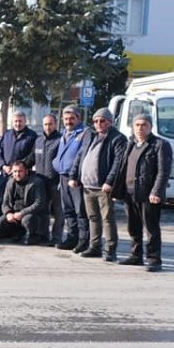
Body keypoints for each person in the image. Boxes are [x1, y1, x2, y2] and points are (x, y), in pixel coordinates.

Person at [114, 114, 173, 272]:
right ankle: (136, 255)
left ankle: (154, 259)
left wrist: (157, 192)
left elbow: (163, 171)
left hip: (149, 195)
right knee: (133, 227)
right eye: (137, 125)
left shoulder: (160, 145)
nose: (140, 128)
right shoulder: (131, 143)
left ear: (150, 127)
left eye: (144, 125)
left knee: (151, 228)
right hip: (130, 193)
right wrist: (118, 189)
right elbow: (122, 168)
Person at [69, 107, 127, 261]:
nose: (99, 123)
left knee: (107, 218)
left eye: (102, 120)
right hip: (87, 186)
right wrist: (73, 175)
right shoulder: (90, 135)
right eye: (96, 121)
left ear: (110, 122)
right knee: (93, 218)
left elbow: (118, 163)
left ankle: (110, 249)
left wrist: (109, 181)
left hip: (103, 187)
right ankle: (95, 247)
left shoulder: (117, 138)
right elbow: (80, 156)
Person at [53, 105, 88, 252]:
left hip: (75, 179)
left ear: (78, 119)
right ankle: (71, 238)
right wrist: (55, 163)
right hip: (63, 176)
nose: (68, 121)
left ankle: (83, 241)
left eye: (72, 118)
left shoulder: (84, 133)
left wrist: (74, 175)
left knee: (80, 211)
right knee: (68, 210)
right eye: (66, 119)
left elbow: (81, 156)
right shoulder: (64, 134)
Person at [0, 160, 48, 245]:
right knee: (0, 223)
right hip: (15, 214)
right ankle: (16, 233)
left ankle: (35, 236)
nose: (17, 174)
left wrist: (22, 213)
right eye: (15, 171)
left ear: (26, 171)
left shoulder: (37, 182)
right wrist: (8, 213)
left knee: (27, 220)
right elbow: (5, 202)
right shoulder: (10, 182)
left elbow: (39, 203)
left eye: (20, 171)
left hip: (32, 214)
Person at [34, 114, 63, 245]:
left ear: (55, 124)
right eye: (45, 124)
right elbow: (31, 158)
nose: (48, 127)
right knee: (42, 210)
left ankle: (56, 237)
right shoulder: (38, 140)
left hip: (55, 181)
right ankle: (43, 235)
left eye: (50, 124)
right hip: (40, 181)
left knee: (58, 211)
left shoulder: (61, 140)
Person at [0, 110, 37, 175]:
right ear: (12, 122)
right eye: (16, 121)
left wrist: (17, 167)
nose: (18, 124)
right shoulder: (7, 134)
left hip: (22, 174)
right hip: (6, 172)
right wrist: (3, 166)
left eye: (20, 121)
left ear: (25, 121)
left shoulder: (32, 135)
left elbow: (33, 155)